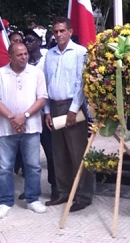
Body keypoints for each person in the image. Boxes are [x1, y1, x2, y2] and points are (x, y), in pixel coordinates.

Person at [0, 42, 47, 219]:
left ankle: (32, 199)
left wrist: (25, 115)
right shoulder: (0, 73)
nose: (24, 57)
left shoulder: (36, 72)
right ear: (10, 56)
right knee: (4, 167)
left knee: (33, 166)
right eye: (19, 54)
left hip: (31, 127)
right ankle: (6, 201)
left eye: (25, 54)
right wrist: (13, 118)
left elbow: (42, 98)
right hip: (5, 128)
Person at [43, 18, 94, 211]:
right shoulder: (50, 54)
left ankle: (83, 194)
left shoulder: (80, 52)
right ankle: (64, 192)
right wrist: (47, 111)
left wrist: (74, 109)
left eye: (62, 31)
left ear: (70, 31)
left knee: (77, 152)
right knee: (59, 152)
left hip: (73, 107)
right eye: (55, 31)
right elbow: (46, 82)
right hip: (54, 106)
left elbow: (81, 83)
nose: (58, 35)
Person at [21, 29, 58, 201]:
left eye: (30, 40)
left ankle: (55, 187)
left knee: (51, 152)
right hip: (26, 115)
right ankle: (31, 187)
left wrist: (47, 111)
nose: (27, 43)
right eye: (24, 40)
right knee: (29, 155)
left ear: (39, 41)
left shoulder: (47, 59)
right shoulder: (22, 63)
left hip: (45, 114)